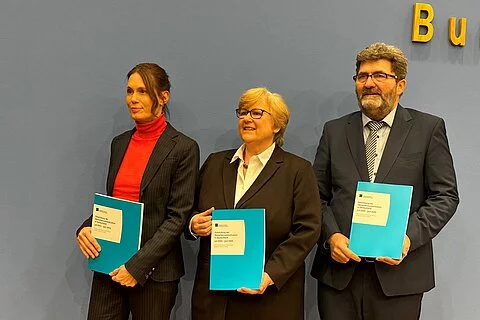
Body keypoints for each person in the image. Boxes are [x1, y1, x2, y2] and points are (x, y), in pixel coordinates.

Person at [311, 42, 459, 320]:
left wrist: (406, 239)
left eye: (379, 75)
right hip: (339, 276)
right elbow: (315, 196)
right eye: (362, 76)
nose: (369, 83)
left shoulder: (428, 128)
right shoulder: (333, 131)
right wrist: (331, 236)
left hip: (400, 276)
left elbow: (445, 196)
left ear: (400, 84)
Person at [76, 63, 199, 320]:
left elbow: (177, 217)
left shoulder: (183, 148)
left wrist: (137, 266)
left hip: (155, 273)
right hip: (109, 265)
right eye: (130, 91)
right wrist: (87, 227)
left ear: (163, 97)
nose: (133, 99)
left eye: (143, 91)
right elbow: (116, 202)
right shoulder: (120, 143)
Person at [187, 87, 321, 320]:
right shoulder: (215, 163)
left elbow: (307, 230)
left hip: (269, 298)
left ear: (277, 125)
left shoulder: (297, 170)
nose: (247, 118)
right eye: (242, 112)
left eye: (257, 113)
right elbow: (191, 209)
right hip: (214, 300)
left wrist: (271, 274)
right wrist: (193, 224)